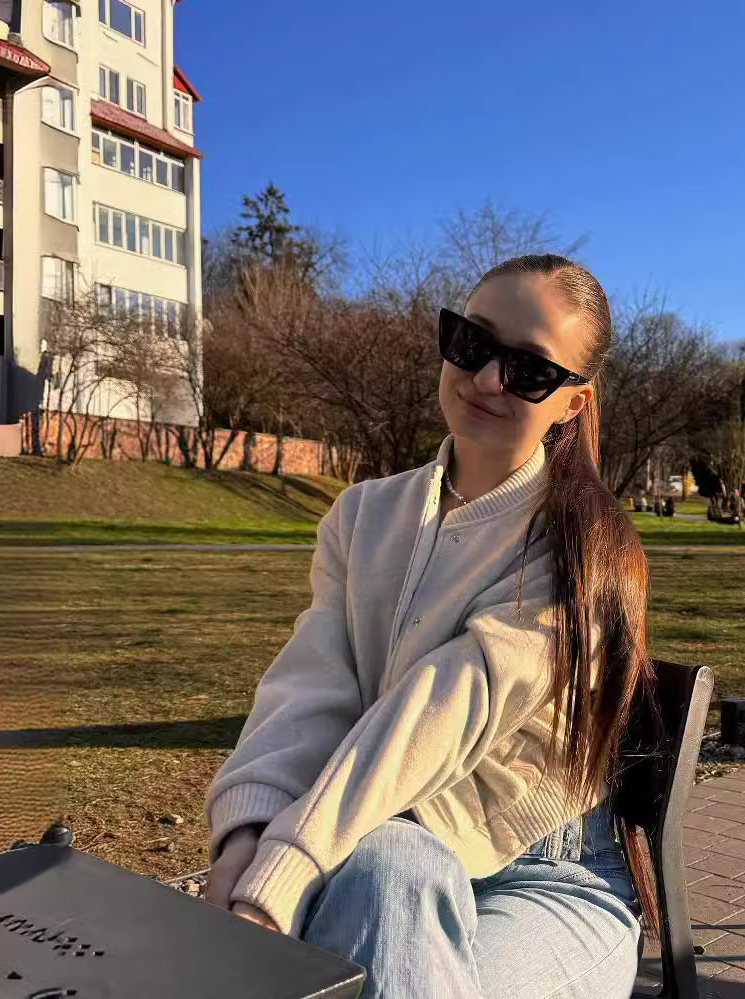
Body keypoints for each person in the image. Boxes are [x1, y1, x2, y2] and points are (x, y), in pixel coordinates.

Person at [203, 254, 662, 998]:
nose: (486, 380)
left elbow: (443, 709)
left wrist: (284, 868)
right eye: (473, 344)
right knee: (388, 862)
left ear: (571, 404)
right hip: (371, 850)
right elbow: (310, 686)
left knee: (388, 863)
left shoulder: (581, 545)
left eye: (529, 371)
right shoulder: (362, 514)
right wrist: (246, 832)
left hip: (548, 875)